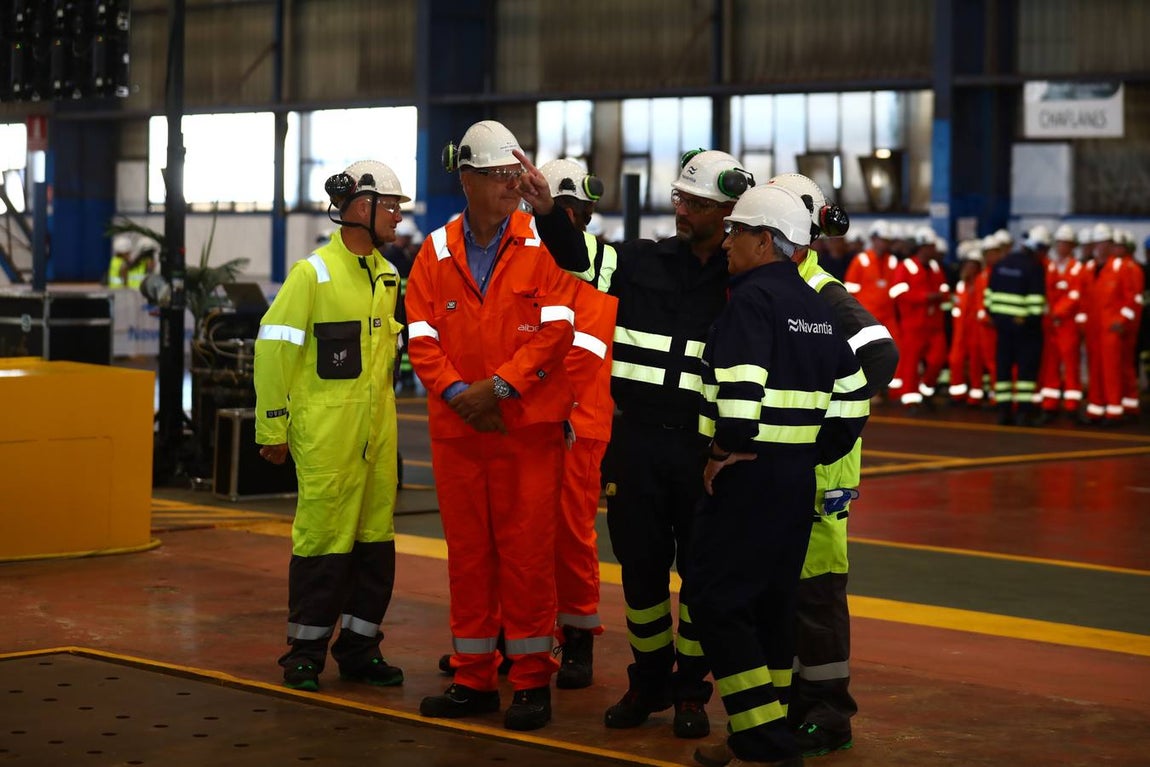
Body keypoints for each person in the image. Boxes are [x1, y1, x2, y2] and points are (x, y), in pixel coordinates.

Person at [517, 147, 756, 740]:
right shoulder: (641, 261)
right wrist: (549, 212)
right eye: (680, 199)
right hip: (637, 445)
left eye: (697, 204)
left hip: (703, 454)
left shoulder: (745, 281)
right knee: (642, 575)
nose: (683, 211)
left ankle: (690, 693)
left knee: (699, 579)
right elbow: (573, 256)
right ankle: (648, 681)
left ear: (728, 213)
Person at [688, 184, 869, 767]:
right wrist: (809, 453)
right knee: (772, 606)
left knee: (717, 602)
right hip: (795, 484)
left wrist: (720, 451)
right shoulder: (819, 308)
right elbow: (852, 401)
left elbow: (739, 398)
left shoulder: (750, 301)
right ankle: (762, 734)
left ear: (764, 241)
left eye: (737, 232)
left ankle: (761, 736)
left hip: (746, 482)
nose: (728, 242)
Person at [406, 120, 578, 732]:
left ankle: (531, 682)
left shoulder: (545, 243)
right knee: (469, 557)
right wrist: (458, 393)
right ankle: (474, 677)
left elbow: (559, 329)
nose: (511, 186)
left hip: (524, 429)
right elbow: (421, 334)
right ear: (468, 179)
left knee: (528, 556)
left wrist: (499, 388)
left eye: (516, 175)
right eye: (499, 176)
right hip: (460, 433)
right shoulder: (436, 250)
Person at [253, 159, 408, 692]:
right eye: (391, 207)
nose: (397, 218)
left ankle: (360, 649)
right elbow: (273, 349)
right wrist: (272, 425)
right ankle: (305, 653)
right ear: (360, 208)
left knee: (374, 546)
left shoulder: (389, 277)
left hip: (377, 439)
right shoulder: (312, 274)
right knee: (322, 545)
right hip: (325, 440)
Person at [766, 173, 898, 760]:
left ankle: (829, 713)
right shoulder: (780, 288)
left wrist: (830, 426)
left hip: (821, 473)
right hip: (793, 466)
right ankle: (799, 702)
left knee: (816, 595)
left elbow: (879, 352)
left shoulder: (820, 293)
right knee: (786, 594)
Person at [537, 157, 619, 688]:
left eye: (575, 211)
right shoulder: (520, 252)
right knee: (519, 534)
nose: (571, 219)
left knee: (570, 534)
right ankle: (516, 635)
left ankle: (576, 640)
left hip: (579, 421)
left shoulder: (606, 263)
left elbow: (585, 342)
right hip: (528, 414)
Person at [985, 225, 1048, 426]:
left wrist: (998, 317)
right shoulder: (1034, 268)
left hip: (1002, 327)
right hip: (1026, 329)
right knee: (1025, 373)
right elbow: (1036, 305)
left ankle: (1003, 411)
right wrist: (1031, 322)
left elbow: (989, 298)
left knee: (1003, 369)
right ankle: (1023, 412)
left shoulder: (1002, 264)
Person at [889, 228, 949, 412]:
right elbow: (896, 293)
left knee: (937, 360)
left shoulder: (936, 267)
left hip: (935, 325)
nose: (932, 250)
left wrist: (941, 296)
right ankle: (911, 400)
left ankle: (926, 391)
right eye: (929, 247)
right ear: (921, 248)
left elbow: (945, 289)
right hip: (913, 325)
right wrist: (925, 297)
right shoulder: (906, 267)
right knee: (911, 364)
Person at [1037, 225, 1086, 418]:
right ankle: (1050, 404)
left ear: (1072, 246)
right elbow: (1046, 291)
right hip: (1050, 324)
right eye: (1058, 243)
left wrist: (1057, 312)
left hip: (1068, 324)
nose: (1061, 247)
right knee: (1050, 364)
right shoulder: (1050, 266)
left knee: (1071, 364)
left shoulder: (1077, 268)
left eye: (1065, 244)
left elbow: (1075, 295)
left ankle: (1072, 405)